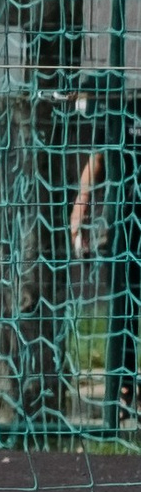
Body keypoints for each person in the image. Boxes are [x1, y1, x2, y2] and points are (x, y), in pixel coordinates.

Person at [71, 117, 141, 420]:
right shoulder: (120, 101)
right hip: (123, 226)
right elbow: (98, 155)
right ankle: (124, 392)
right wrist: (81, 206)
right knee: (123, 308)